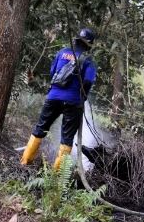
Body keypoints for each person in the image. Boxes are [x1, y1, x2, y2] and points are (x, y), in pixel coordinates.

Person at [20, 28, 97, 171]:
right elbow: (88, 82)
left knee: (40, 128)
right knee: (67, 138)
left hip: (53, 97)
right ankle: (56, 178)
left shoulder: (62, 53)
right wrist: (82, 96)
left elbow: (52, 73)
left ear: (76, 41)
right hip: (73, 101)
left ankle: (25, 163)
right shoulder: (89, 61)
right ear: (89, 45)